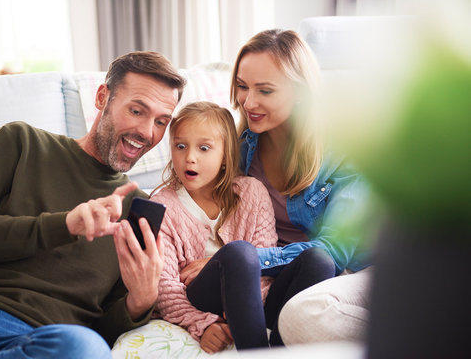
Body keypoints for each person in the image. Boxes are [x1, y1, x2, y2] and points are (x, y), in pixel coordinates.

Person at [0, 51, 186, 359]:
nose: (147, 132)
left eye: (161, 121)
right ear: (102, 97)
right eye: (136, 111)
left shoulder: (139, 209)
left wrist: (139, 302)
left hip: (30, 342)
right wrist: (65, 225)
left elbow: (99, 333)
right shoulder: (21, 141)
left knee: (84, 348)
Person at [229, 29, 372, 345]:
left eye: (265, 90)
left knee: (318, 261)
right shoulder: (242, 145)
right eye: (242, 86)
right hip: (289, 276)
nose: (248, 101)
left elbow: (336, 250)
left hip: (353, 271)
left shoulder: (344, 149)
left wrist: (253, 259)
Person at [150, 101, 278, 353]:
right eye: (180, 146)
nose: (190, 157)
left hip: (252, 296)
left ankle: (285, 344)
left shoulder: (253, 193)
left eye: (204, 148)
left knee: (317, 261)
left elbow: (267, 265)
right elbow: (164, 287)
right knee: (240, 252)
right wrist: (203, 324)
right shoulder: (162, 206)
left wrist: (241, 312)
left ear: (224, 156)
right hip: (200, 297)